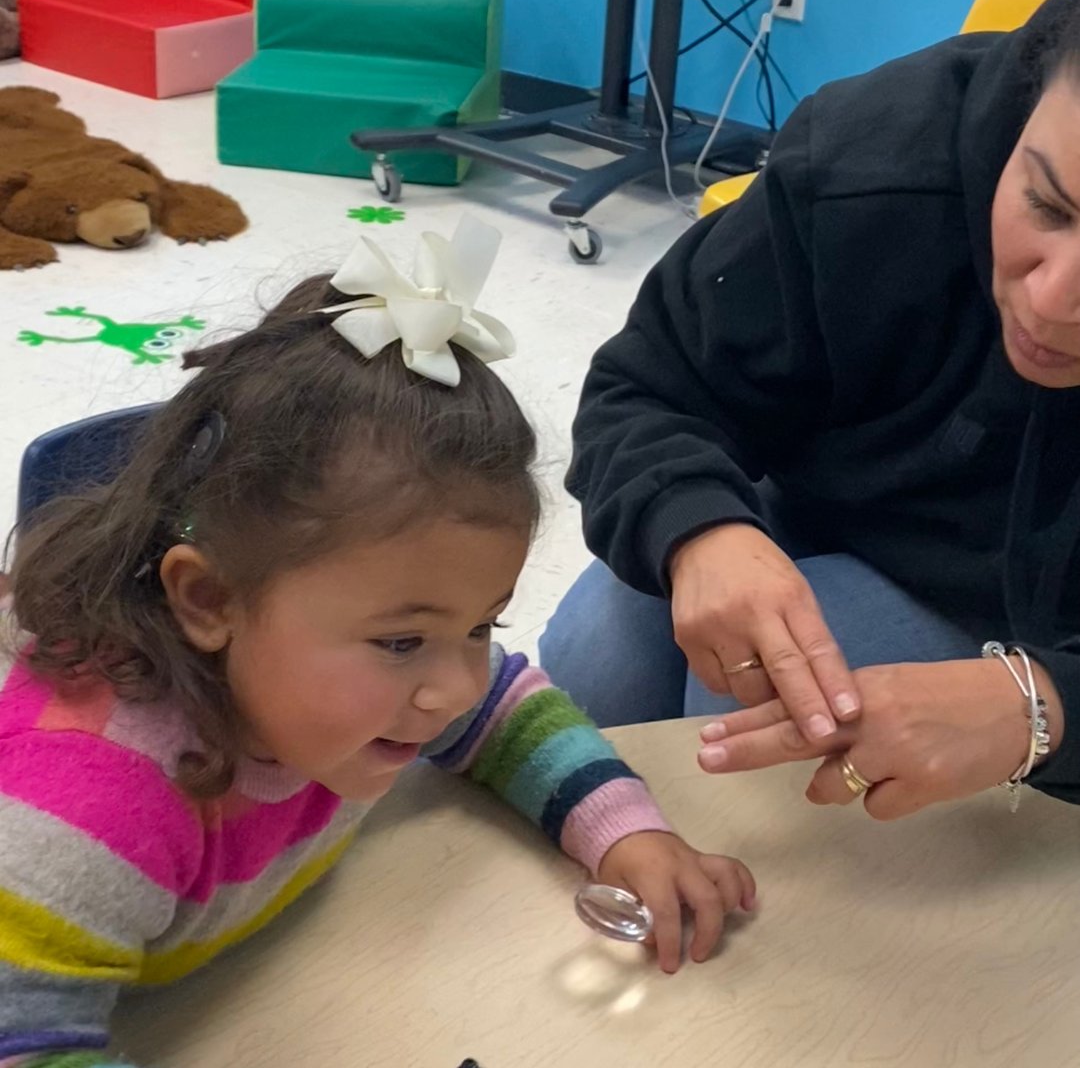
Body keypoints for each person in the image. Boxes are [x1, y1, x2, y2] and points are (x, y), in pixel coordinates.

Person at [0, 219, 756, 1067]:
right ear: (208, 599)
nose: (456, 686)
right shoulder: (81, 811)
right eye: (402, 642)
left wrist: (625, 831)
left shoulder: (363, 683)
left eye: (480, 625)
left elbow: (504, 708)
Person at [541, 0, 1080, 821]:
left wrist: (1043, 703)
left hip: (1039, 634)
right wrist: (698, 529)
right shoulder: (870, 160)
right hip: (821, 511)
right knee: (606, 643)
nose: (1051, 301)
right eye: (1046, 205)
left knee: (774, 742)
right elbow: (646, 385)